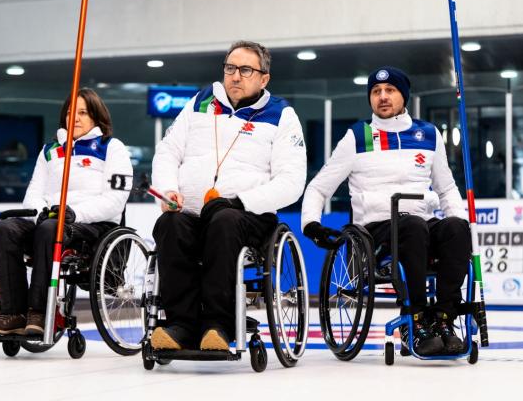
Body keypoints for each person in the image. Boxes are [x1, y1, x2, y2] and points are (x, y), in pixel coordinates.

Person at [301, 66, 471, 356]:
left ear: (403, 96)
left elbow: (446, 189)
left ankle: (444, 319)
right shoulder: (357, 136)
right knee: (413, 226)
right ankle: (415, 319)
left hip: (421, 222)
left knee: (455, 229)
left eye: (390, 90)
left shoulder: (428, 135)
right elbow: (319, 187)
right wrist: (310, 224)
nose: (382, 96)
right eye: (376, 92)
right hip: (376, 229)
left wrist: (460, 217)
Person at [151, 40, 306, 351]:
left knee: (224, 220)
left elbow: (292, 182)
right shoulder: (198, 103)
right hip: (192, 213)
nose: (235, 76)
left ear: (264, 79)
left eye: (245, 70)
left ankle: (218, 326)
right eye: (230, 68)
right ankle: (181, 324)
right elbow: (168, 152)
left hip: (247, 217)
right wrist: (168, 189)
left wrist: (241, 202)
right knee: (169, 225)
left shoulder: (281, 114)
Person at [0, 88, 133, 336]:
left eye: (83, 112)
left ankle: (39, 313)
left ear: (96, 116)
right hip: (50, 220)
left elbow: (115, 200)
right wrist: (42, 211)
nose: (75, 118)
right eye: (70, 112)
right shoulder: (50, 151)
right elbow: (33, 193)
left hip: (91, 225)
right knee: (6, 229)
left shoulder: (111, 148)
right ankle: (12, 314)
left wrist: (75, 213)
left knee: (50, 229)